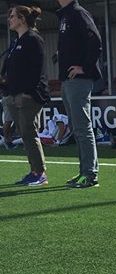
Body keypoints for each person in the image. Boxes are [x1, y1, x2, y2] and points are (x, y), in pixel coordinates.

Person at [1, 5, 50, 186]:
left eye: (13, 16)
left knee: (29, 132)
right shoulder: (16, 42)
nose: (9, 19)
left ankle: (40, 173)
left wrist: (27, 92)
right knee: (25, 133)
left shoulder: (33, 39)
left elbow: (37, 70)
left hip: (28, 96)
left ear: (22, 19)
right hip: (14, 94)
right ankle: (34, 171)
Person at [56, 0, 102, 188]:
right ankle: (84, 171)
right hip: (68, 80)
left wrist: (85, 67)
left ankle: (90, 174)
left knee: (82, 127)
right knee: (77, 128)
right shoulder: (66, 15)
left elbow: (95, 41)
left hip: (79, 80)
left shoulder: (78, 13)